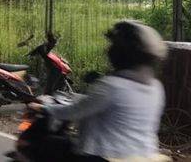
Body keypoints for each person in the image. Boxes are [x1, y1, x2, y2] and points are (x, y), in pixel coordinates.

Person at [29, 19, 168, 161]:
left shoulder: (112, 86)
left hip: (104, 155)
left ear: (121, 53)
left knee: (48, 144)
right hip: (144, 155)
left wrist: (44, 108)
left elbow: (74, 112)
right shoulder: (156, 87)